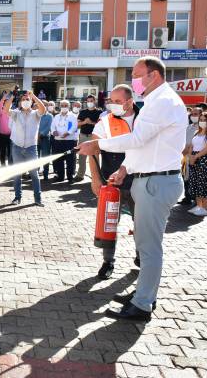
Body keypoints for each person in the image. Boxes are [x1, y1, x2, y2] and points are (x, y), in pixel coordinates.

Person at [77, 56, 187, 322]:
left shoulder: (162, 101)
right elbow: (145, 146)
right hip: (149, 178)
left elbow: (137, 139)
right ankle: (144, 293)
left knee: (149, 248)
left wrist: (99, 146)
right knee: (145, 243)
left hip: (156, 182)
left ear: (154, 76)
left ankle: (142, 304)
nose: (134, 80)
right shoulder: (155, 102)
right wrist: (125, 168)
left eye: (138, 75)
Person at [88, 85, 139, 280]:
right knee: (109, 223)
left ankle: (141, 257)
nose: (113, 105)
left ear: (129, 101)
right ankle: (108, 261)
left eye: (118, 102)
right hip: (112, 182)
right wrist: (95, 179)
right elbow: (93, 149)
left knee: (140, 224)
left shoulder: (143, 119)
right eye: (111, 101)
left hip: (139, 181)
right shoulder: (105, 122)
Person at [3, 90, 46, 205]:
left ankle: (38, 199)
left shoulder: (35, 113)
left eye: (27, 99)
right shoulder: (16, 113)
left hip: (31, 148)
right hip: (17, 147)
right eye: (23, 99)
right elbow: (5, 110)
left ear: (31, 102)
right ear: (20, 102)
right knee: (17, 174)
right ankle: (17, 198)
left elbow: (43, 109)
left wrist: (33, 96)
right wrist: (12, 96)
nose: (25, 101)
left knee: (34, 175)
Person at [185, 112, 207, 216]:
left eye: (205, 120)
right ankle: (198, 205)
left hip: (204, 159)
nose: (202, 122)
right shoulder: (196, 132)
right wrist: (190, 156)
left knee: (205, 183)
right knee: (195, 182)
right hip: (194, 159)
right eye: (201, 120)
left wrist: (195, 157)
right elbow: (191, 146)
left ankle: (204, 208)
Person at [179, 107, 203, 206]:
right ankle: (187, 197)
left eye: (196, 114)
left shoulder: (202, 128)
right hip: (185, 157)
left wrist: (187, 149)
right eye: (192, 114)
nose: (193, 116)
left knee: (196, 179)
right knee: (186, 177)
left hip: (196, 157)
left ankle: (197, 199)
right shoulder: (188, 127)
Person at [50, 100, 78, 182]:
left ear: (69, 106)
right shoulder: (56, 116)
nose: (64, 107)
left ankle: (70, 177)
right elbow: (52, 126)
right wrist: (53, 131)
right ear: (60, 106)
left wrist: (68, 133)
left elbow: (74, 127)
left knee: (70, 160)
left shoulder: (72, 116)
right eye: (62, 105)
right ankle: (60, 177)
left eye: (66, 105)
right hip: (58, 141)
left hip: (69, 141)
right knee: (59, 160)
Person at [76, 95, 102, 181]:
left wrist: (91, 123)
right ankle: (80, 175)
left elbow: (101, 125)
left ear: (95, 101)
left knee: (94, 157)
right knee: (82, 157)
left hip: (93, 137)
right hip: (83, 136)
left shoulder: (99, 112)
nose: (89, 102)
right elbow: (78, 124)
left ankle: (95, 177)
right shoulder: (83, 112)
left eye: (91, 101)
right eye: (88, 101)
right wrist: (84, 122)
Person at [0, 92, 12, 166]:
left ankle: (11, 164)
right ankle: (3, 164)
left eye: (9, 104)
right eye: (5, 104)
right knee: (3, 150)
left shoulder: (12, 112)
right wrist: (3, 99)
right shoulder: (1, 112)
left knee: (10, 151)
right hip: (3, 135)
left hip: (11, 135)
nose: (7, 105)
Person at [38, 101, 53, 180]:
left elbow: (49, 127)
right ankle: (35, 174)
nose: (43, 106)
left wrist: (41, 134)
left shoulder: (50, 116)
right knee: (35, 157)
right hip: (35, 138)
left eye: (45, 105)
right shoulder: (36, 114)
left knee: (45, 157)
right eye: (42, 104)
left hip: (45, 138)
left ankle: (46, 174)